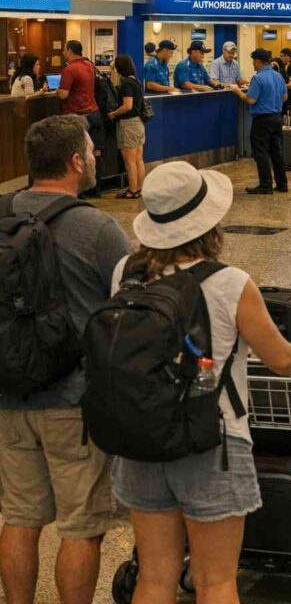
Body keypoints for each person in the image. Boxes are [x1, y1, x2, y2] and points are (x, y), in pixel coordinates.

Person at [109, 161, 291, 604]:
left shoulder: (125, 272)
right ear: (209, 223)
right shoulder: (230, 283)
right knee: (215, 581)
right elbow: (279, 358)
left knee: (154, 578)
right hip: (212, 440)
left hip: (141, 436)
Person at [0, 115, 131, 604]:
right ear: (76, 161)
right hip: (73, 399)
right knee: (81, 525)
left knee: (20, 517)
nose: (97, 155)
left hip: (9, 390)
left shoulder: (1, 214)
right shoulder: (96, 228)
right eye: (92, 150)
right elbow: (130, 305)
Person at [229, 48, 288, 195]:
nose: (253, 64)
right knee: (276, 152)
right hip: (277, 117)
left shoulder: (258, 78)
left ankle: (265, 184)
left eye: (253, 61)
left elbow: (250, 100)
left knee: (260, 152)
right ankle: (282, 184)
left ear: (258, 61)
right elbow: (285, 97)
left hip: (262, 120)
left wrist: (237, 92)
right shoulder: (278, 76)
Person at [55, 40, 105, 195]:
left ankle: (81, 189)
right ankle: (96, 187)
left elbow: (63, 94)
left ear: (70, 51)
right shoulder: (89, 65)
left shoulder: (70, 69)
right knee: (95, 151)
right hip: (94, 113)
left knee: (77, 152)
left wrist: (55, 91)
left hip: (77, 116)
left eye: (65, 50)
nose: (64, 53)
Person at [108, 54, 146, 199]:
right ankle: (140, 188)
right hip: (138, 123)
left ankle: (132, 190)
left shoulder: (126, 84)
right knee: (138, 159)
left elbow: (127, 106)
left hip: (128, 124)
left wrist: (114, 114)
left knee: (129, 161)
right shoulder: (135, 81)